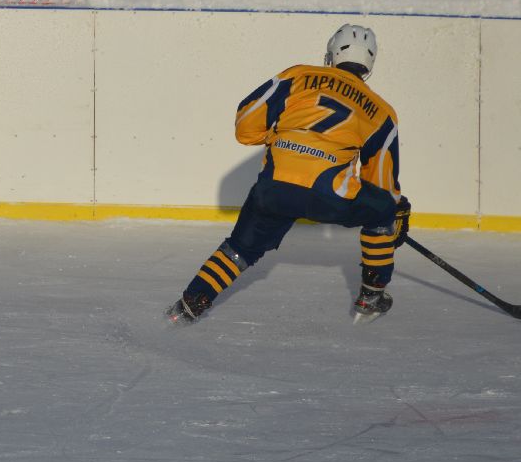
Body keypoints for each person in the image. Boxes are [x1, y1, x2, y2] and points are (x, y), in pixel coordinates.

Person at [167, 24, 410, 326]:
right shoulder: (382, 112)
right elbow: (382, 181)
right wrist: (392, 211)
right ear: (370, 64)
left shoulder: (296, 75)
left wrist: (279, 137)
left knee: (240, 248)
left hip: (276, 187)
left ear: (331, 54)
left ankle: (189, 304)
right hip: (330, 195)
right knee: (386, 208)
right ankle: (372, 293)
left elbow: (245, 125)